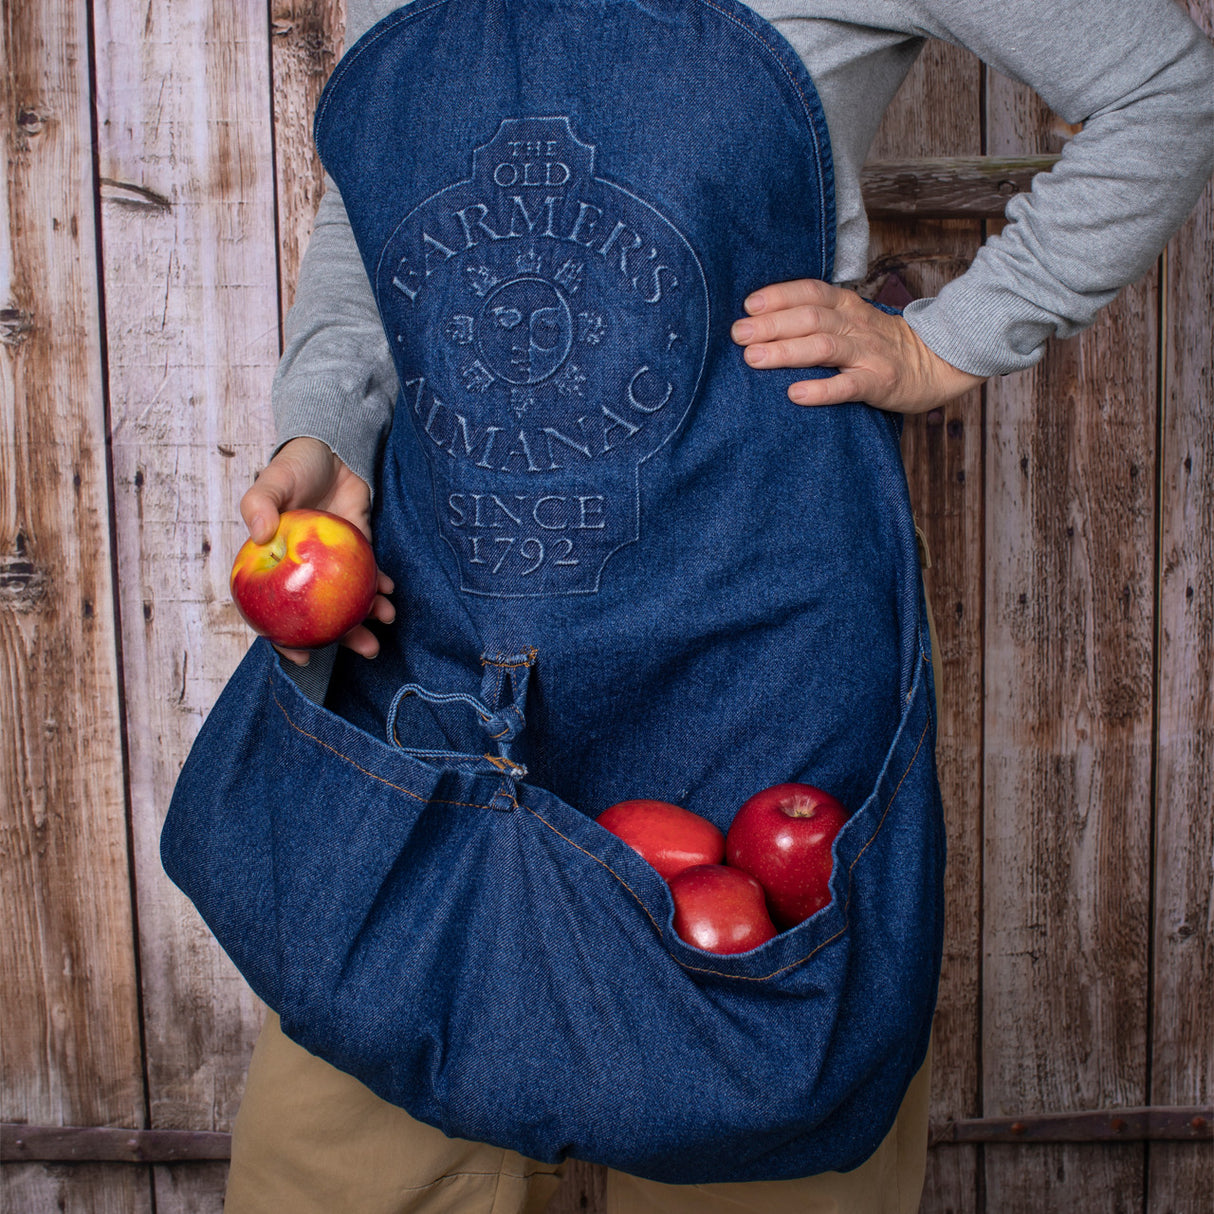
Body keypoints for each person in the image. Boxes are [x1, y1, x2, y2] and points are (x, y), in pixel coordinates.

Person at [223, 0, 1214, 1210]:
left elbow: (1164, 86)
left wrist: (943, 341)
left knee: (758, 1152)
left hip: (754, 655)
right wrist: (330, 416)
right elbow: (376, 210)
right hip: (445, 643)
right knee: (332, 1161)